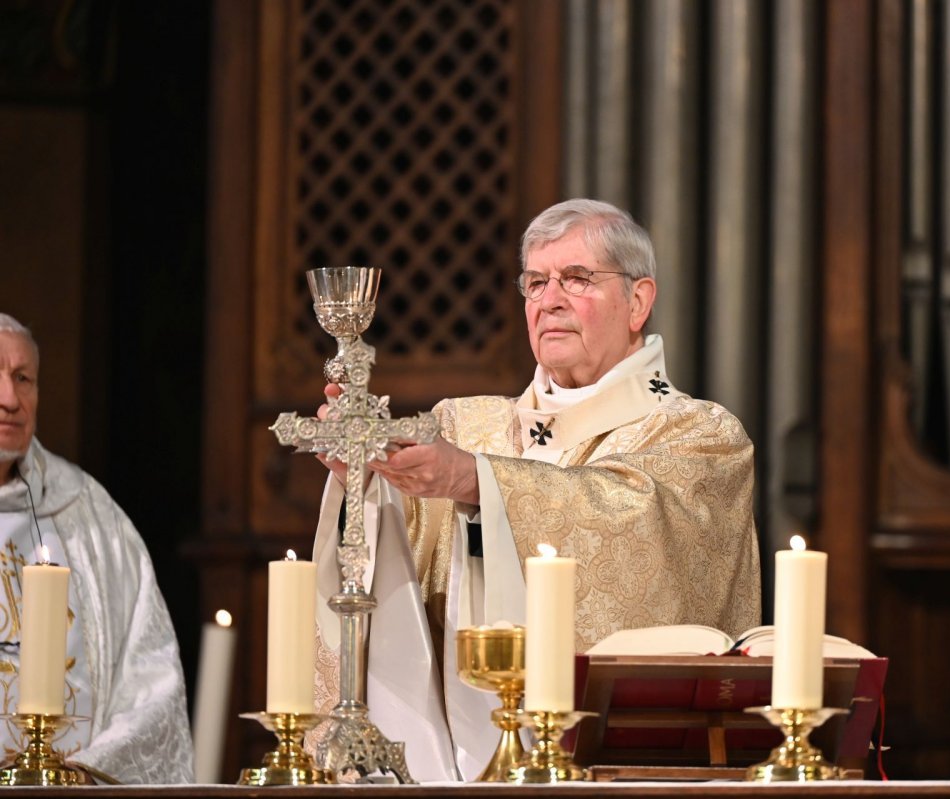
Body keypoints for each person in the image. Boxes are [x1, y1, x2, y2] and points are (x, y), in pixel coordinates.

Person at [310, 198, 761, 781]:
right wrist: (366, 483)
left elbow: (635, 522)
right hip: (448, 758)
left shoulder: (700, 434)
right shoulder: (462, 424)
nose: (549, 301)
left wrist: (478, 481)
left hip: (614, 769)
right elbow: (404, 553)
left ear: (638, 301)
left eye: (577, 279)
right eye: (535, 283)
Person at [0, 314, 193, 783]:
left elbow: (151, 682)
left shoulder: (89, 516)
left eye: (23, 378)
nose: (9, 400)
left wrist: (86, 774)